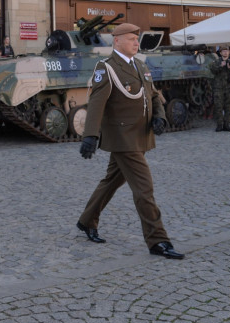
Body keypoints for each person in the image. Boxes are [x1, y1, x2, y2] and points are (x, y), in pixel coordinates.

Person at [75, 23, 184, 259]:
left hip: (140, 135)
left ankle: (87, 220)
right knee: (144, 190)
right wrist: (90, 135)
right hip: (123, 138)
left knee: (111, 181)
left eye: (137, 38)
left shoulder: (141, 65)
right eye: (132, 39)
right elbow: (96, 104)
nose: (137, 43)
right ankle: (158, 240)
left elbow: (154, 95)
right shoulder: (106, 68)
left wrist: (160, 117)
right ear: (117, 41)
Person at [208, 46, 230, 132]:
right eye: (223, 51)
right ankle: (219, 125)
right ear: (220, 53)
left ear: (229, 52)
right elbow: (213, 70)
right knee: (218, 106)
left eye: (226, 51)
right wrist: (221, 66)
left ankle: (227, 124)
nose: (225, 53)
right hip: (218, 87)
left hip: (229, 87)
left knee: (229, 106)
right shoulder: (216, 62)